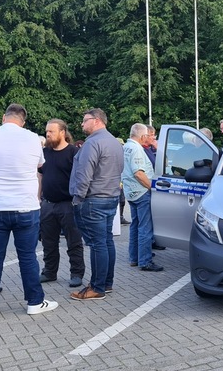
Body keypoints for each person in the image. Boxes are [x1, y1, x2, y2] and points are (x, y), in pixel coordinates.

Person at [0, 103, 57, 316]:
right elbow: (40, 164)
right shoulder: (32, 137)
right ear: (23, 121)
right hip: (25, 206)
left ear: (4, 117)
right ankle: (34, 302)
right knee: (28, 256)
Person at [69, 108, 123, 300]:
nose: (82, 124)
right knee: (106, 241)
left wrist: (78, 198)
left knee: (97, 244)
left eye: (85, 120)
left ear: (97, 120)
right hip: (110, 198)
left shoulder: (92, 143)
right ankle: (106, 283)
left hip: (93, 200)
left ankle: (97, 287)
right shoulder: (114, 142)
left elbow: (84, 174)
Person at [38, 119, 85, 288]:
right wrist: (38, 197)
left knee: (74, 241)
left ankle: (76, 273)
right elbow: (40, 175)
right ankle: (49, 272)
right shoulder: (44, 153)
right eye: (47, 131)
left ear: (62, 133)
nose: (47, 134)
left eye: (51, 131)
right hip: (47, 204)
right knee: (48, 242)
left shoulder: (74, 152)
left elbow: (81, 177)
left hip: (68, 204)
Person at [123, 123, 163, 272]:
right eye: (147, 135)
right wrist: (152, 188)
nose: (148, 137)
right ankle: (145, 261)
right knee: (145, 228)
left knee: (135, 225)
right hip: (141, 192)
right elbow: (139, 173)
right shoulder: (137, 149)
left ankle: (134, 258)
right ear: (142, 135)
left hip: (131, 192)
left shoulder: (126, 147)